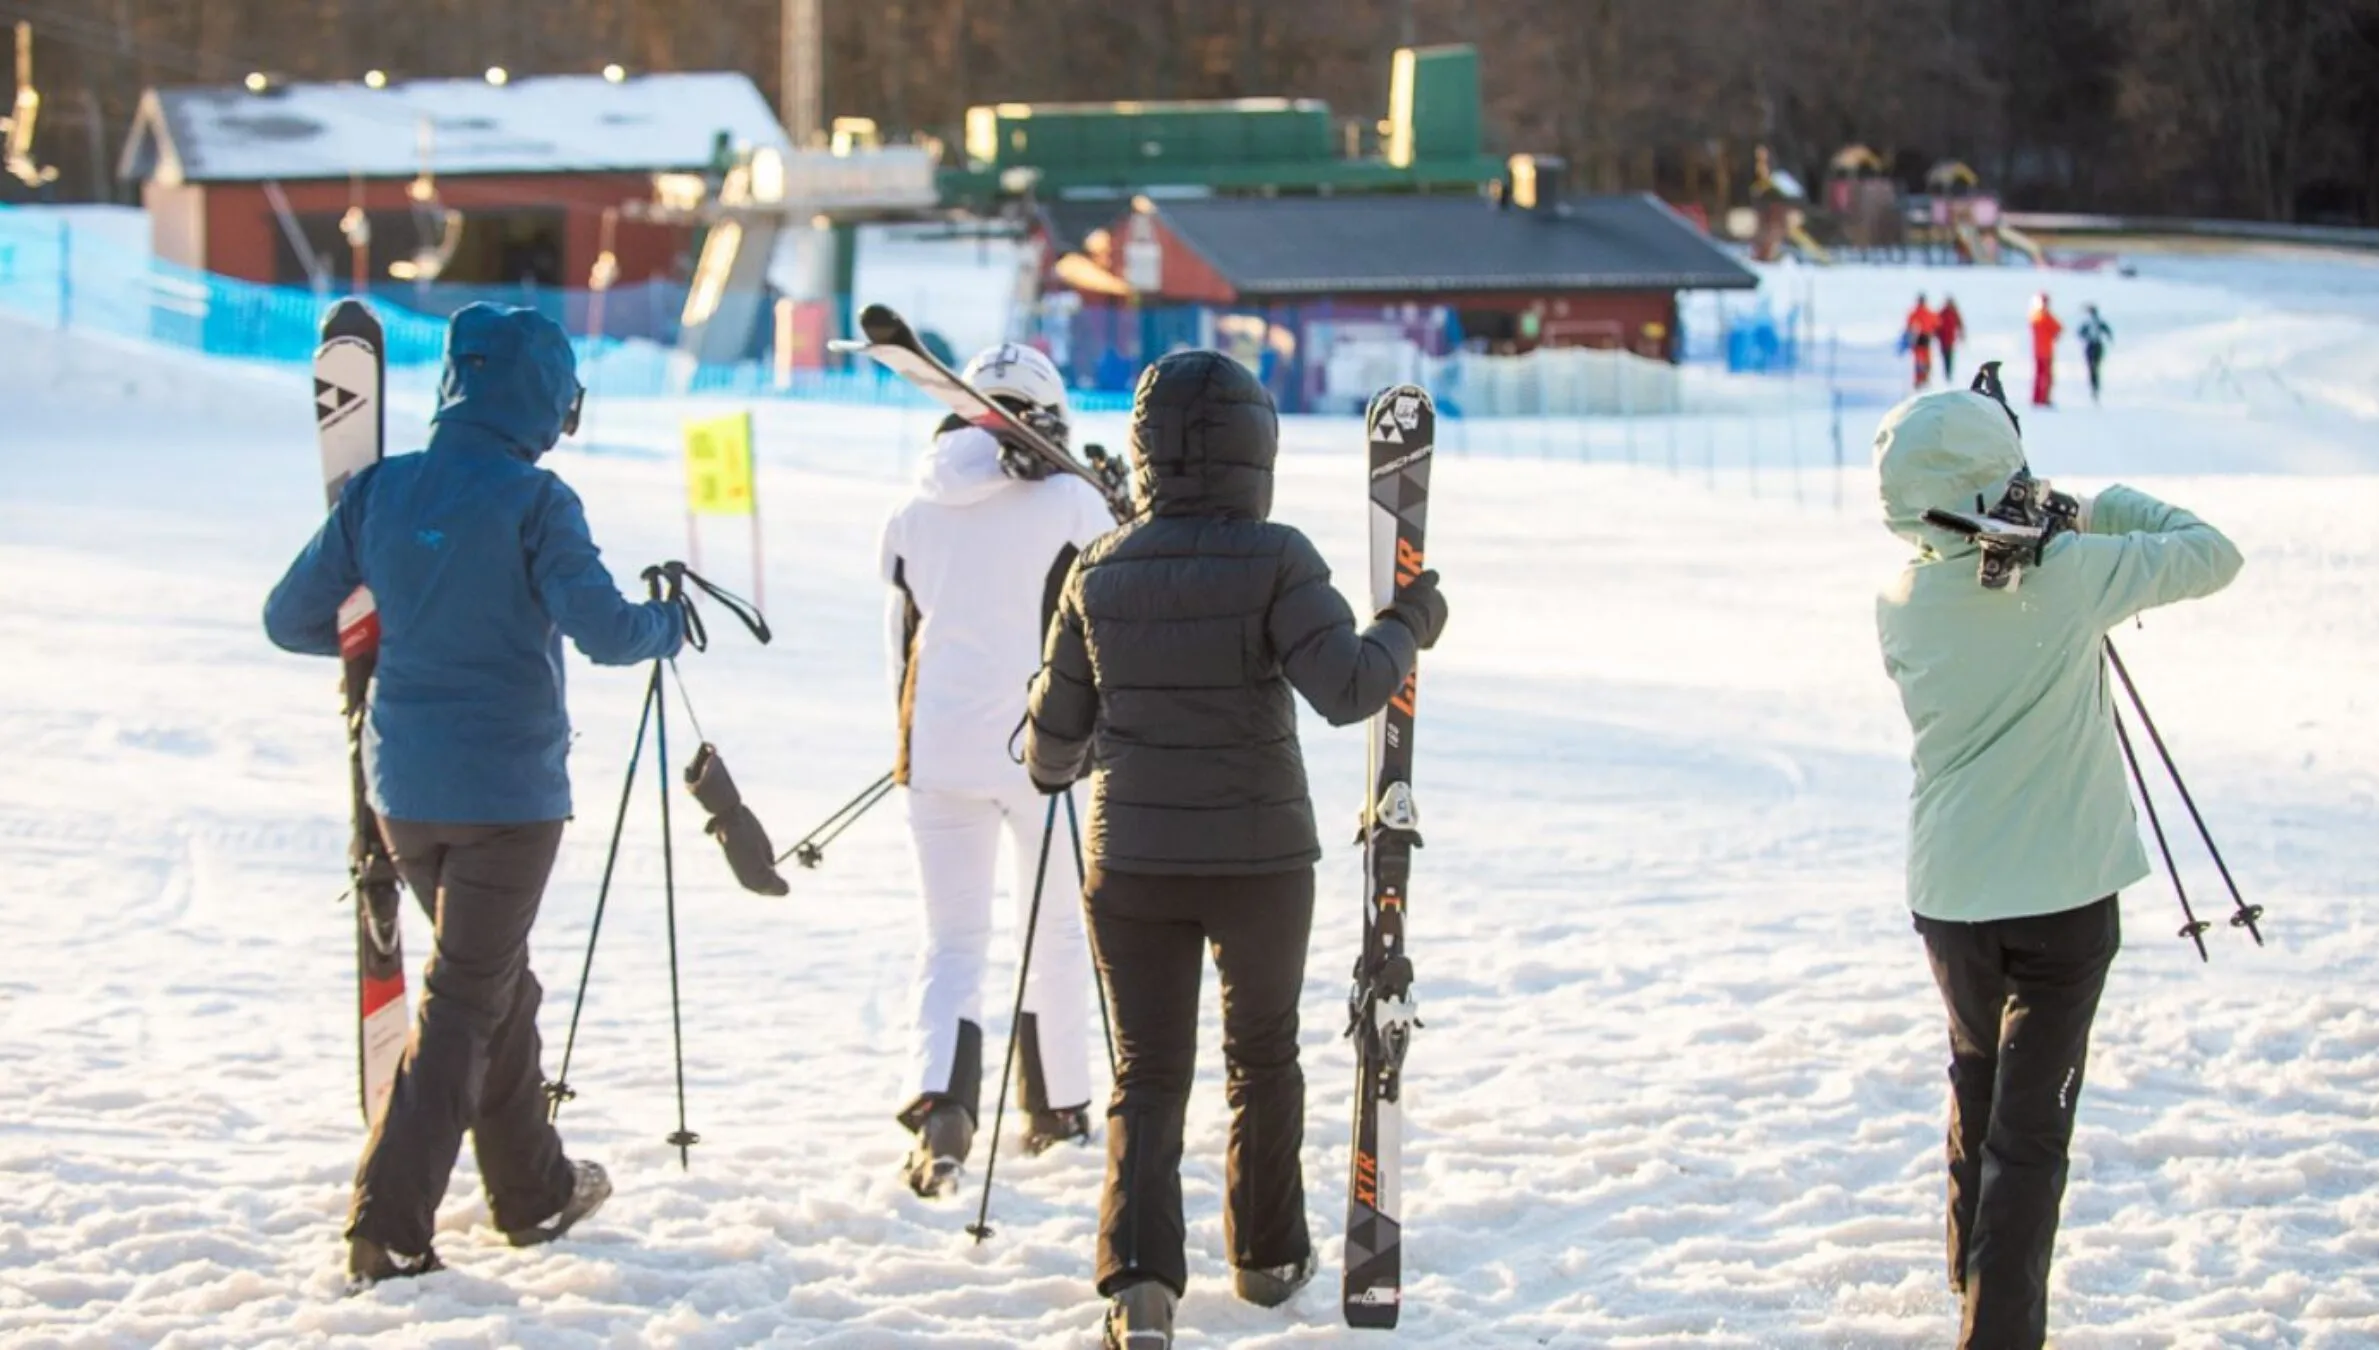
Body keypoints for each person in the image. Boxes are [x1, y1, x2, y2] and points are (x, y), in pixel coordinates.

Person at [1024, 351, 1449, 1349]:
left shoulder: (1097, 568)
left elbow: (1049, 755)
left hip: (1130, 862)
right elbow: (1350, 688)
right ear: (1258, 449)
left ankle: (1139, 1288)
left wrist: (1056, 710)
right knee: (1262, 1055)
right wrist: (1408, 622)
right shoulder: (1277, 558)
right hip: (1260, 861)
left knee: (1146, 1073)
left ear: (1145, 452)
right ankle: (1265, 1258)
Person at [264, 303, 685, 1286]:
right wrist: (667, 623)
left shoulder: (380, 490)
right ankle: (389, 1226)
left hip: (404, 795)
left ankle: (533, 1191)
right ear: (546, 399)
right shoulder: (538, 501)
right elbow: (608, 633)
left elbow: (291, 619)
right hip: (507, 798)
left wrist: (393, 634)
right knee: (464, 999)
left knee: (497, 984)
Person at [1872, 372, 2242, 1350]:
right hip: (2062, 899)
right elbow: (2214, 553)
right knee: (2030, 1135)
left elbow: (1983, 586)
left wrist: (2024, 528)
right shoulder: (2071, 574)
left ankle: (1969, 1276)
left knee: (1976, 1077)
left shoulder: (1900, 597)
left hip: (1950, 894)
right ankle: (1997, 1332)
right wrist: (2094, 508)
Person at [879, 342, 1116, 1197]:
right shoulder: (1074, 502)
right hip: (1047, 753)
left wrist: (913, 745)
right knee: (1053, 932)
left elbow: (899, 643)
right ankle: (1055, 1107)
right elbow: (1106, 626)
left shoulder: (913, 505)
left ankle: (940, 1108)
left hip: (938, 751)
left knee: (951, 939)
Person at [2027, 293, 2062, 407]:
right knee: (2045, 377)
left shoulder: (2034, 316)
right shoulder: (2045, 316)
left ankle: (2037, 398)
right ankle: (2043, 399)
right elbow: (2058, 328)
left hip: (2038, 351)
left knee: (2039, 376)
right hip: (2046, 352)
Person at [2077, 304, 2114, 403]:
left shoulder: (2088, 323)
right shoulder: (2097, 322)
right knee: (2095, 367)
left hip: (2091, 345)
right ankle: (2095, 386)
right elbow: (2107, 331)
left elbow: (2080, 334)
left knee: (2092, 367)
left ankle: (2094, 385)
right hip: (2097, 345)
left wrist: (2084, 338)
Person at [1904, 293, 1939, 389]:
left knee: (1919, 360)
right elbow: (1937, 323)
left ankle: (1919, 379)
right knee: (1926, 360)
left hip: (1917, 338)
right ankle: (1925, 378)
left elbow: (1909, 323)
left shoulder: (1914, 312)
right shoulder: (1929, 312)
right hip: (1926, 337)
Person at [1936, 295, 1966, 381]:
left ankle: (1948, 374)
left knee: (1949, 356)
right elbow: (1936, 324)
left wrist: (1962, 334)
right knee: (1945, 356)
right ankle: (1947, 373)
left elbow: (1960, 324)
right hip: (1943, 339)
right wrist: (1936, 334)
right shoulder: (1943, 312)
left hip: (1950, 339)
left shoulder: (1954, 313)